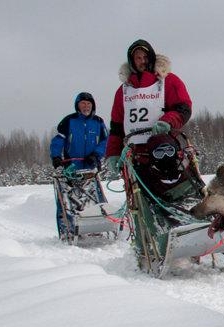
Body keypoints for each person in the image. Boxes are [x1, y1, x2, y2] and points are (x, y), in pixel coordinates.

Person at [104, 39, 192, 173]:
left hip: (165, 150)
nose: (142, 61)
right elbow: (116, 127)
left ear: (151, 57)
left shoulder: (168, 81)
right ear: (132, 61)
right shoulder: (123, 91)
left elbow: (183, 108)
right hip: (136, 155)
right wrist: (113, 153)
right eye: (138, 58)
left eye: (145, 57)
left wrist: (167, 121)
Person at [49, 92, 108, 234]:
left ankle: (98, 226)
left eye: (89, 103)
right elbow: (58, 140)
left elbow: (106, 141)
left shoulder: (98, 122)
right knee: (68, 199)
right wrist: (56, 156)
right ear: (78, 105)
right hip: (71, 166)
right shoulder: (69, 121)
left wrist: (96, 155)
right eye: (83, 103)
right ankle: (66, 228)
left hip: (90, 165)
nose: (86, 106)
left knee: (93, 196)